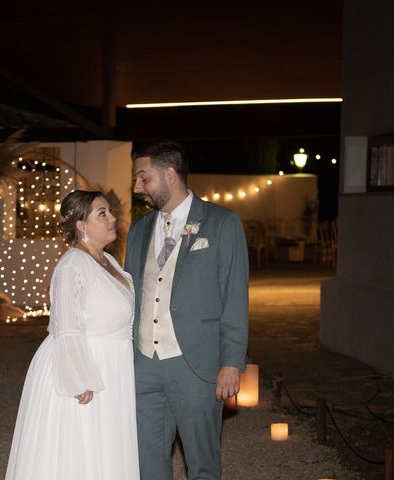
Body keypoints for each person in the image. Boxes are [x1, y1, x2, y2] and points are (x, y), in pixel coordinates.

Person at [124, 141, 249, 480]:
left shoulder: (222, 223)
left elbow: (235, 296)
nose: (137, 187)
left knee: (203, 463)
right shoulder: (137, 231)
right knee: (146, 462)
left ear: (169, 174)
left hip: (196, 363)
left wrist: (231, 362)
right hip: (143, 365)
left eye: (143, 178)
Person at [5, 190, 140, 480]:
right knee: (82, 450)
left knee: (108, 449)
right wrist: (80, 379)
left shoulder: (109, 262)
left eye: (110, 212)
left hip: (114, 367)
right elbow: (66, 326)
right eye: (102, 213)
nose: (112, 218)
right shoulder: (71, 266)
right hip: (84, 370)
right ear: (81, 225)